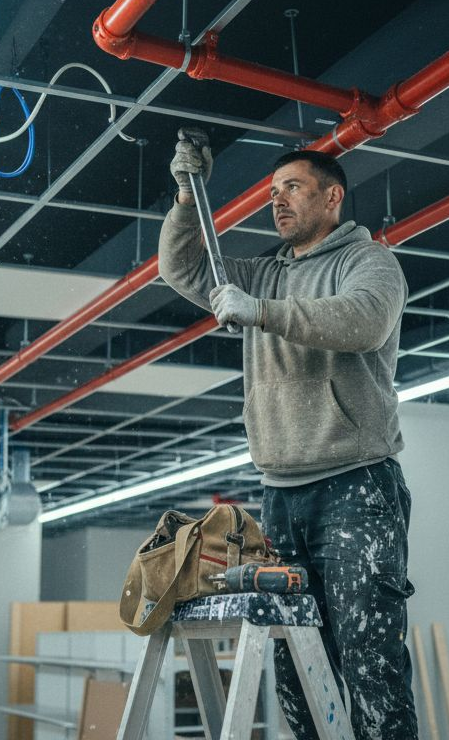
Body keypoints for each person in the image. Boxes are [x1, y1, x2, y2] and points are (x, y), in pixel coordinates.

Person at [159, 140, 417, 739]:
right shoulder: (266, 272)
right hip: (279, 492)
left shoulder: (369, 262)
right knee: (298, 665)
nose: (278, 201)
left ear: (333, 196)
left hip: (356, 484)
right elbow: (184, 269)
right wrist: (183, 200)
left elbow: (362, 320)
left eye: (293, 188)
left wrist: (263, 312)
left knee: (368, 657)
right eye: (273, 192)